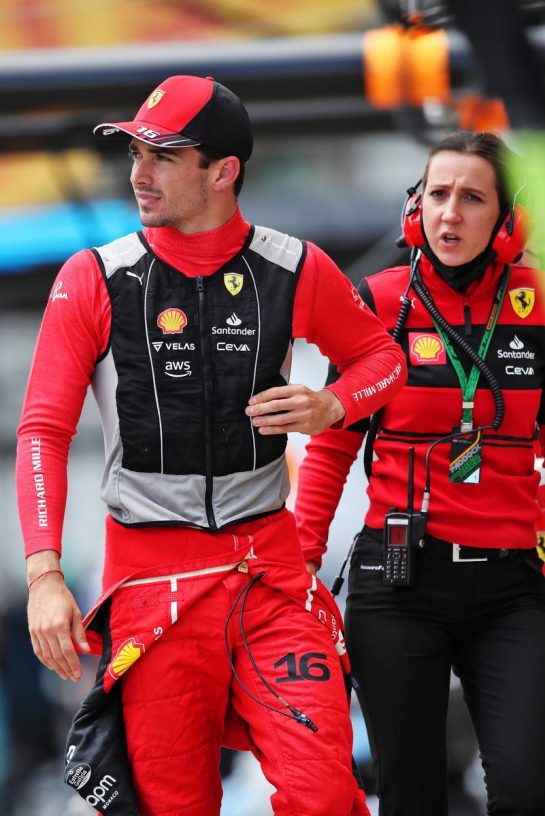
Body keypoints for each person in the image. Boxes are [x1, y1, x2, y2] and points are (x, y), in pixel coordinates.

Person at [16, 74, 407, 816]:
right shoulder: (93, 278)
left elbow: (382, 360)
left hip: (270, 581)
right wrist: (43, 575)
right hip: (147, 595)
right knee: (173, 806)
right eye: (133, 152)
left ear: (223, 170)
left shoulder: (295, 267)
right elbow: (41, 430)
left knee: (326, 794)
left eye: (162, 156)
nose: (138, 174)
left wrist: (330, 402)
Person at [295, 130, 545, 816]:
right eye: (437, 195)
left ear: (505, 220)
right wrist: (297, 567)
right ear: (416, 207)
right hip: (399, 580)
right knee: (410, 797)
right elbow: (329, 448)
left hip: (513, 587)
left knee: (527, 789)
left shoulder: (538, 301)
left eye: (471, 198)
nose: (449, 214)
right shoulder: (375, 302)